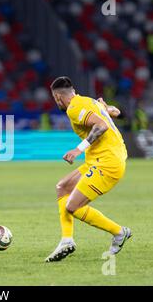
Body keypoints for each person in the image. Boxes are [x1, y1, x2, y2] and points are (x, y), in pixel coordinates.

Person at [45, 76, 131, 262]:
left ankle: (119, 232)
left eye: (55, 98)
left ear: (58, 97)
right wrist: (108, 109)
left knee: (73, 206)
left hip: (107, 163)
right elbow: (111, 112)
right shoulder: (88, 101)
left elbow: (102, 125)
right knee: (63, 187)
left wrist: (79, 149)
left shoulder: (74, 108)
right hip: (100, 159)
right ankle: (66, 240)